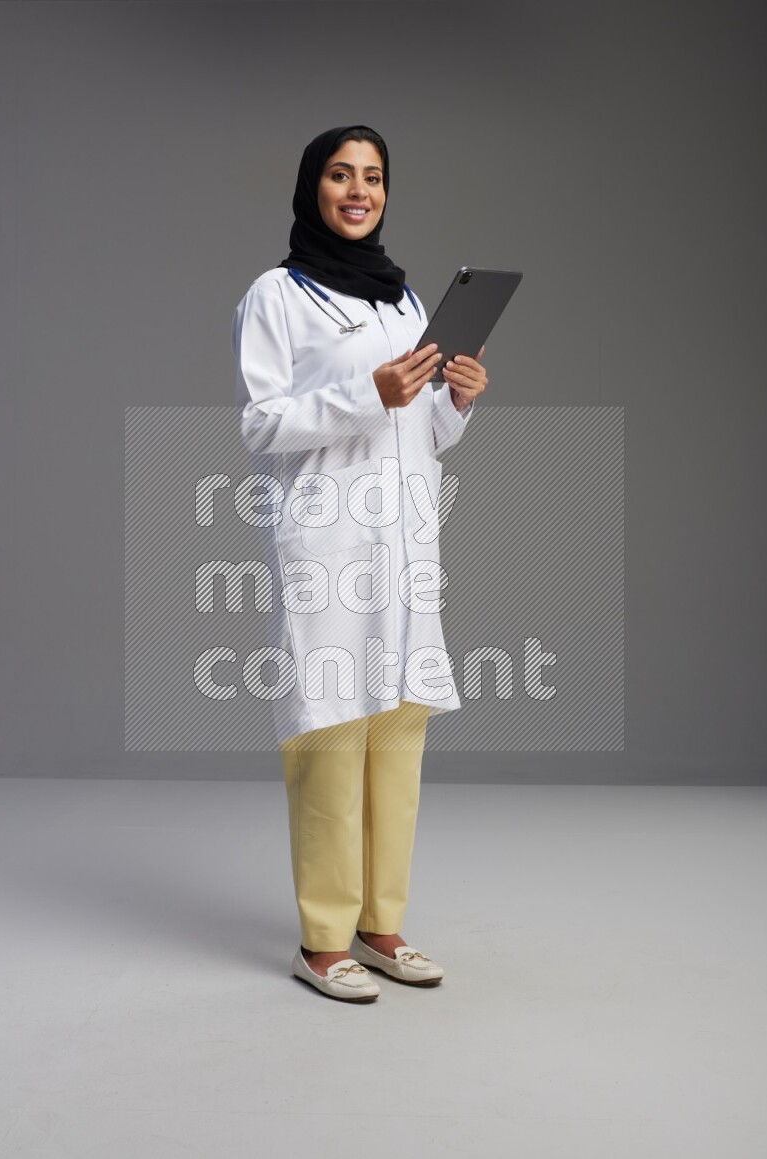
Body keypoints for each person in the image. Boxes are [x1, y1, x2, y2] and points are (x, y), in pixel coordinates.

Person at [231, 125, 488, 1002]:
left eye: (373, 177)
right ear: (312, 187)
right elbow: (260, 423)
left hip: (406, 541)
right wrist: (365, 392)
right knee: (332, 734)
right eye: (341, 175)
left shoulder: (406, 300)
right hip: (326, 543)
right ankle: (322, 939)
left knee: (398, 736)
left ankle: (382, 925)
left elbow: (424, 436)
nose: (358, 190)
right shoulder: (277, 295)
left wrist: (454, 399)